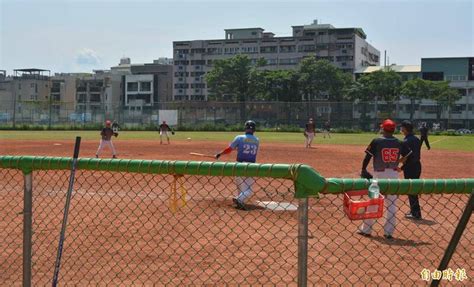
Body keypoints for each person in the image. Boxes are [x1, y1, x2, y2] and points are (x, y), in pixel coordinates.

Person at [358, 119, 411, 240]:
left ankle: (366, 230)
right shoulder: (399, 142)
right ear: (394, 130)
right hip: (393, 175)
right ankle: (388, 232)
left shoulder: (377, 141)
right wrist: (401, 167)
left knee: (373, 201)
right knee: (391, 204)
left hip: (379, 176)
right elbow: (409, 156)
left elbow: (367, 156)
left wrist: (363, 169)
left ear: (383, 129)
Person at [215, 120, 259, 210]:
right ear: (254, 129)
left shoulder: (239, 138)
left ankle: (239, 200)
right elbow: (248, 148)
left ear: (245, 128)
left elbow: (229, 149)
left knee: (240, 186)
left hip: (238, 166)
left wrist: (220, 154)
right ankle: (240, 200)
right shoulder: (257, 140)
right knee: (249, 190)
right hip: (251, 166)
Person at [400, 120, 423, 220]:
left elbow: (409, 157)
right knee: (413, 189)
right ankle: (415, 210)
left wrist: (402, 167)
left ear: (405, 129)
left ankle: (415, 213)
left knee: (411, 189)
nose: (401, 129)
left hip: (410, 167)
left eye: (401, 128)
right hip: (417, 166)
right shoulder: (416, 139)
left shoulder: (406, 141)